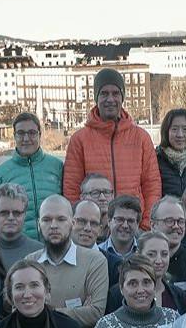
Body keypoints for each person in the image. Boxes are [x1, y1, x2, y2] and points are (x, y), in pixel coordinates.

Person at [62, 69, 160, 220]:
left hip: (133, 224)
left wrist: (146, 223)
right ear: (96, 97)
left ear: (122, 97)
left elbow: (151, 185)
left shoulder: (141, 138)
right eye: (104, 93)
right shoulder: (79, 139)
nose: (110, 99)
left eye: (115, 93)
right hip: (94, 226)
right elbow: (71, 189)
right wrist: (82, 222)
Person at [27, 195, 111, 328]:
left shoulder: (95, 261)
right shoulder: (30, 262)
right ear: (38, 225)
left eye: (61, 219)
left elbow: (95, 313)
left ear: (72, 223)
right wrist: (77, 312)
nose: (53, 226)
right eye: (47, 220)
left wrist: (41, 312)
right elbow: (19, 311)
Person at [0, 111, 63, 240]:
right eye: (21, 133)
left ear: (40, 135)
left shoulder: (57, 167)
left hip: (55, 245)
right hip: (19, 249)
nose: (26, 138)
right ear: (14, 136)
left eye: (32, 133)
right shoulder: (0, 174)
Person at [0, 183, 45, 270]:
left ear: (25, 215)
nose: (11, 217)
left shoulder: (40, 252)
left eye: (17, 213)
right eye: (4, 213)